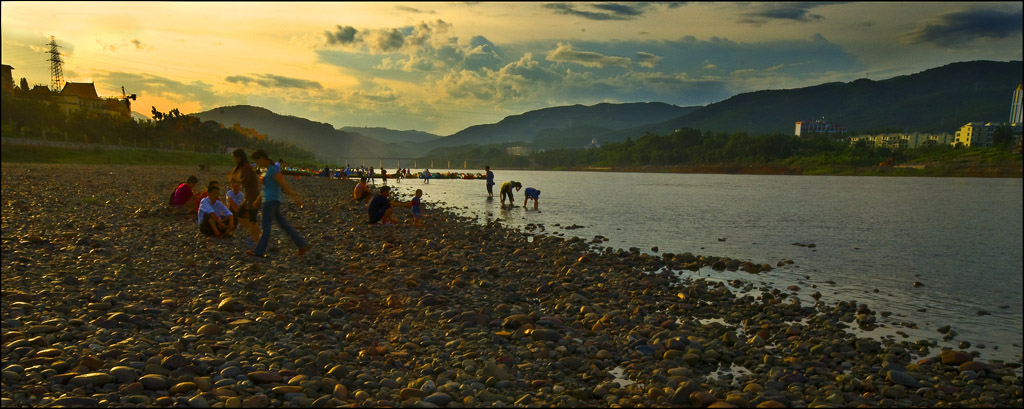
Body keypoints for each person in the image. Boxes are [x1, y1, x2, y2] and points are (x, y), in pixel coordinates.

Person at [247, 149, 309, 258]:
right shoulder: (268, 170)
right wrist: (257, 200)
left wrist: (296, 198)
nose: (257, 164)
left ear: (262, 158)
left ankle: (259, 251)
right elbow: (265, 188)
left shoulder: (273, 170)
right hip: (271, 200)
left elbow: (283, 185)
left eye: (257, 161)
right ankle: (301, 244)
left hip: (270, 201)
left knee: (266, 227)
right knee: (283, 224)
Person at [229, 148, 262, 244]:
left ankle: (258, 241)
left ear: (239, 158)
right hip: (249, 196)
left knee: (252, 219)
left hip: (253, 196)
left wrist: (236, 179)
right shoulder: (245, 166)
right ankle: (258, 234)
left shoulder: (246, 167)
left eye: (234, 158)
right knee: (240, 215)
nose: (234, 160)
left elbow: (245, 181)